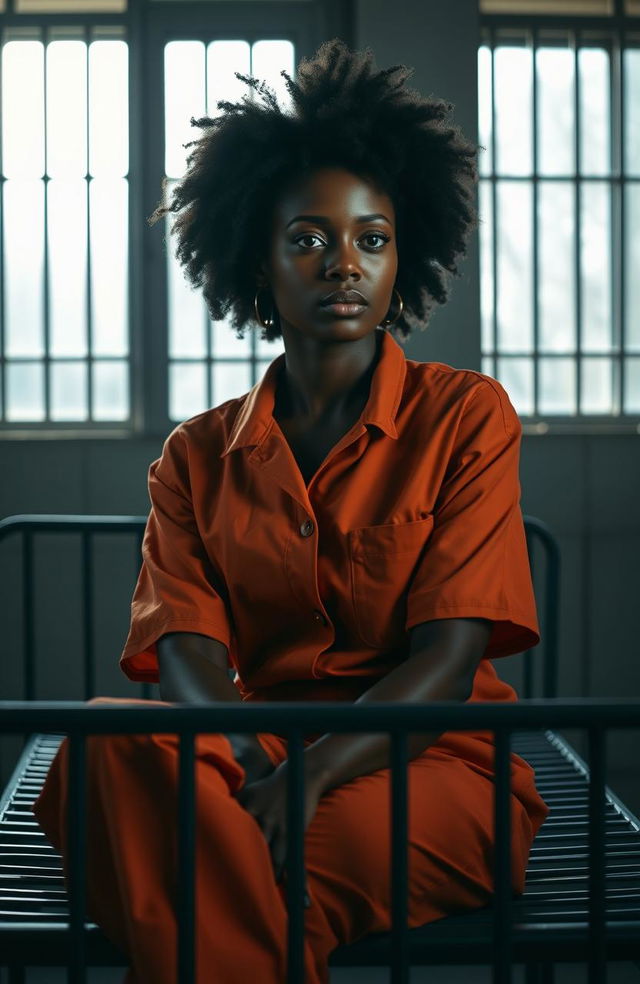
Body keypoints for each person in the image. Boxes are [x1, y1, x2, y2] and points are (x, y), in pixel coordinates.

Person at [33, 37, 550, 984]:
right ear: (257, 260)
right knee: (101, 746)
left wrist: (304, 783)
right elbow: (186, 649)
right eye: (308, 238)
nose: (343, 263)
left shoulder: (466, 417)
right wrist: (250, 767)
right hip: (252, 752)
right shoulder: (195, 456)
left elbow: (448, 661)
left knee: (217, 861)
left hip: (436, 766)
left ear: (405, 257)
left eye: (373, 238)